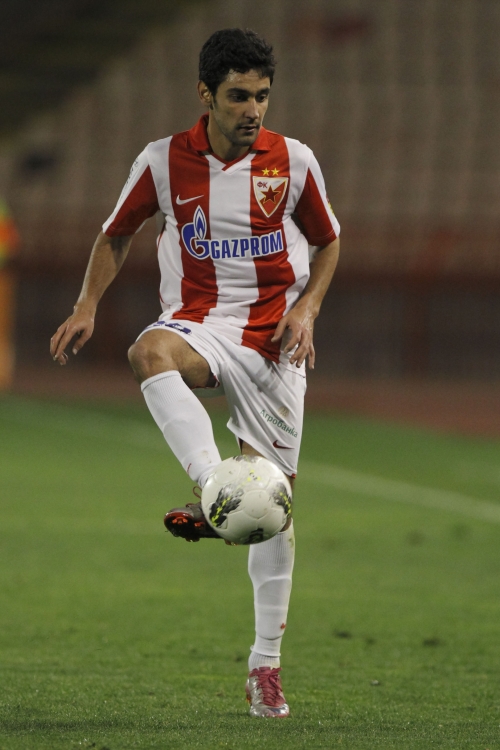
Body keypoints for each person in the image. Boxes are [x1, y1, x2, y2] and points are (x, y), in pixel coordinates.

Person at [50, 28, 340, 718]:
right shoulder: (162, 161)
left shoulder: (293, 161)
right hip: (198, 324)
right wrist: (87, 304)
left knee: (274, 512)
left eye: (262, 96)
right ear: (205, 95)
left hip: (273, 343)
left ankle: (265, 666)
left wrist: (307, 311)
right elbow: (116, 232)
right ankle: (214, 488)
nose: (253, 110)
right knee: (147, 353)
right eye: (239, 96)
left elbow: (328, 241)